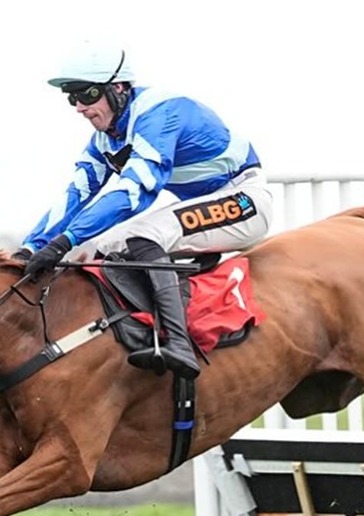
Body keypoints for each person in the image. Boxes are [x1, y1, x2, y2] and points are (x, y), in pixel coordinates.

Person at [16, 42, 273, 379]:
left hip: (244, 202)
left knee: (140, 234)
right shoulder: (107, 138)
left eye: (88, 94)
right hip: (207, 204)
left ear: (119, 88)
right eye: (72, 97)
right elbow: (77, 193)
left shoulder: (161, 114)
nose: (79, 106)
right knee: (97, 248)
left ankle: (179, 344)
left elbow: (136, 191)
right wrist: (31, 246)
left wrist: (64, 240)